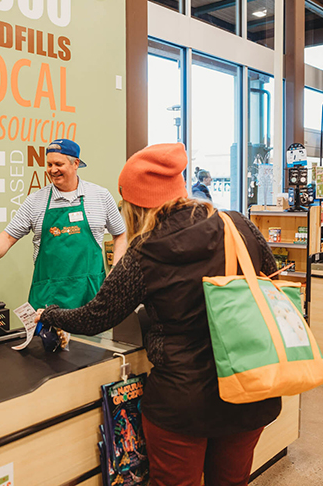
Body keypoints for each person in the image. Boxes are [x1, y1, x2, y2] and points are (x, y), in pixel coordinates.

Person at [36, 143, 281, 486]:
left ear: (137, 203)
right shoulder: (237, 225)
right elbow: (271, 280)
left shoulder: (145, 251)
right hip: (250, 387)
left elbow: (96, 317)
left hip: (184, 400)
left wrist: (51, 313)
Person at [0, 139, 127, 312]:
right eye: (49, 164)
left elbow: (120, 234)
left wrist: (116, 269)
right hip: (48, 298)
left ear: (75, 163)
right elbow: (8, 236)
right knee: (45, 340)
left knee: (90, 340)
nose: (52, 170)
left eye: (58, 164)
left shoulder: (100, 196)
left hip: (90, 295)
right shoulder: (35, 201)